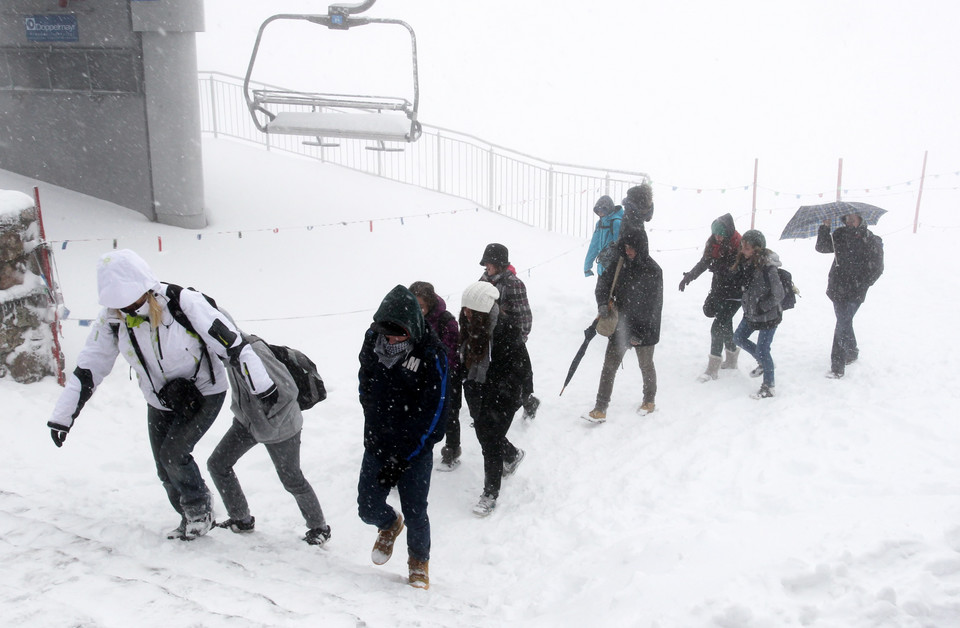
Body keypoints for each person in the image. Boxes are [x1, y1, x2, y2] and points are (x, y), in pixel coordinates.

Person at [46, 249, 276, 541]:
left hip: (205, 392)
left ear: (146, 289)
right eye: (118, 305)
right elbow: (88, 368)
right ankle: (187, 517)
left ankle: (199, 511)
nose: (127, 310)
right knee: (163, 468)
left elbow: (233, 344)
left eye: (131, 302)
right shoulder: (112, 319)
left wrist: (263, 387)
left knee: (174, 454)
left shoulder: (183, 303)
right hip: (161, 399)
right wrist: (62, 417)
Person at [206, 325, 331, 546]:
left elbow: (288, 391)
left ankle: (319, 528)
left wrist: (266, 422)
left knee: (292, 479)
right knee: (218, 463)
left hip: (281, 427)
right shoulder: (226, 351)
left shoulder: (253, 350)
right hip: (247, 423)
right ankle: (241, 519)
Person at [357, 285, 447, 590]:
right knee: (367, 506)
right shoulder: (372, 341)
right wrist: (373, 426)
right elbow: (365, 382)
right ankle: (388, 524)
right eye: (387, 334)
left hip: (413, 450)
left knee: (416, 510)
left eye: (399, 335)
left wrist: (405, 456)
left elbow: (434, 413)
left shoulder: (430, 353)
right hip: (378, 441)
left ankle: (418, 560)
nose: (392, 340)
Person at [459, 281, 530, 517]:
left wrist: (514, 394)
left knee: (490, 440)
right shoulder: (469, 323)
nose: (466, 313)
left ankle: (490, 493)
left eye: (470, 310)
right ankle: (512, 455)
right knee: (484, 434)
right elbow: (464, 354)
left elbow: (521, 366)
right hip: (477, 388)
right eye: (464, 309)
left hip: (503, 393)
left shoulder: (504, 329)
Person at [584, 225, 663, 422]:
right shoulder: (619, 263)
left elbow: (652, 307)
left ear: (642, 247)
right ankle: (600, 408)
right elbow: (603, 283)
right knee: (609, 366)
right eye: (626, 247)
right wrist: (602, 303)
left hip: (644, 329)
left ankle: (649, 400)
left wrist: (640, 334)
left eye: (632, 248)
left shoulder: (653, 270)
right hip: (620, 324)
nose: (628, 251)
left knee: (645, 365)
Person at [815, 213, 884, 378]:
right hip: (837, 287)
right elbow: (822, 247)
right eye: (847, 219)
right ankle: (852, 351)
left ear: (861, 219)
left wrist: (863, 283)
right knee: (844, 321)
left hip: (856, 291)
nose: (850, 221)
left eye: (853, 218)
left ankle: (837, 367)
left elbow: (878, 267)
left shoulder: (871, 240)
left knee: (842, 323)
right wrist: (825, 228)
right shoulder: (840, 234)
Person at [678, 214, 744, 381]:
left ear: (728, 232)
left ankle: (712, 369)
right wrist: (689, 277)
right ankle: (731, 359)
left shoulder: (740, 245)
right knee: (725, 325)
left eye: (721, 234)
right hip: (719, 291)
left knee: (717, 327)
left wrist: (723, 268)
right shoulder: (713, 243)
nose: (718, 237)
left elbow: (740, 272)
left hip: (735, 295)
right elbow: (704, 263)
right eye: (716, 234)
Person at [478, 243, 540, 420]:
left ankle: (528, 401)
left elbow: (524, 316)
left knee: (515, 377)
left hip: (509, 340)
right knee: (490, 375)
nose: (486, 266)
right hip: (488, 338)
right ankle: (487, 411)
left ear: (498, 263)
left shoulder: (513, 284)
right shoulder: (483, 281)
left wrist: (518, 341)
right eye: (485, 263)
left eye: (488, 263)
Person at [408, 281, 463, 471]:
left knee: (449, 413)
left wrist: (429, 361)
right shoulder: (410, 318)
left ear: (430, 303)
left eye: (421, 306)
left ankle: (452, 449)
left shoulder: (446, 321)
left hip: (447, 375)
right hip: (418, 374)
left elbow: (449, 352)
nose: (418, 310)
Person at [731, 230, 785, 399]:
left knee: (763, 349)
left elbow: (779, 294)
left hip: (768, 316)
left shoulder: (768, 268)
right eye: (742, 246)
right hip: (751, 314)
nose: (742, 250)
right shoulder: (745, 264)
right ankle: (763, 361)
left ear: (757, 249)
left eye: (746, 248)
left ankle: (769, 386)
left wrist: (763, 307)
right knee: (738, 338)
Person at [583, 195, 624, 277]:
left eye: (603, 210)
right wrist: (587, 266)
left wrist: (609, 257)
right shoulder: (600, 223)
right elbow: (594, 245)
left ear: (609, 209)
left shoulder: (616, 223)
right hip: (602, 267)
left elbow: (619, 247)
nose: (600, 213)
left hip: (613, 268)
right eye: (598, 210)